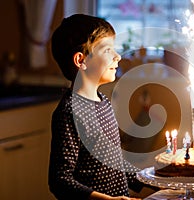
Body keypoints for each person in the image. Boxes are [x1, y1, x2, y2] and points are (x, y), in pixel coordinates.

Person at [48, 14, 144, 200]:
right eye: (108, 50)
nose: (117, 56)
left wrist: (153, 179)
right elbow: (60, 180)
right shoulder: (70, 112)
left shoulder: (103, 102)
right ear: (81, 61)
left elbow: (114, 161)